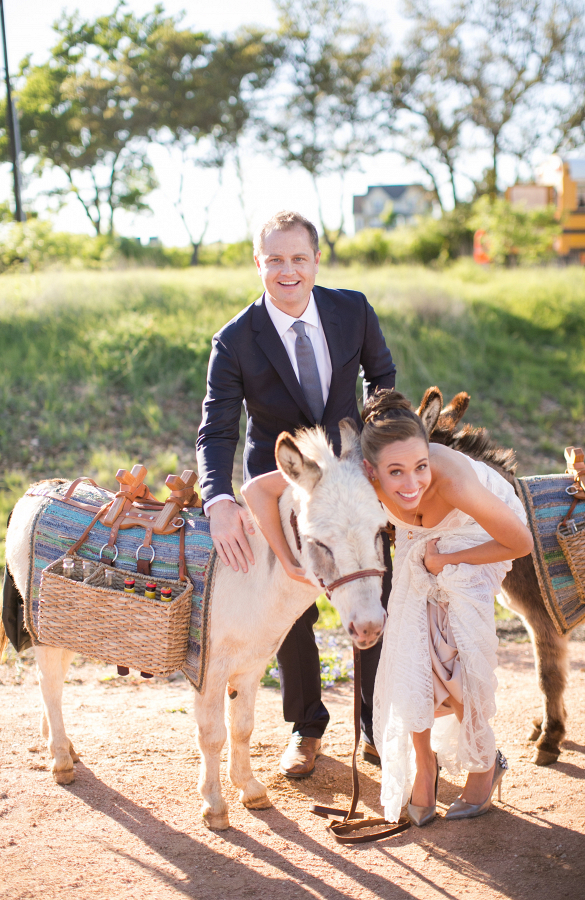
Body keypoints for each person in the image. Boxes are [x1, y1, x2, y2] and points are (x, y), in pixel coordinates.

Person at [242, 389, 533, 825]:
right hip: (420, 543)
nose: (412, 484)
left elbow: (519, 542)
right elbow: (255, 489)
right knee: (408, 648)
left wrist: (445, 559)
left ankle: (485, 764)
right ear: (368, 471)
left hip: (475, 539)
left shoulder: (450, 479)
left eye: (420, 466)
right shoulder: (357, 480)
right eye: (395, 472)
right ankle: (426, 767)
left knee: (455, 655)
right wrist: (287, 559)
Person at [196, 210, 396, 778]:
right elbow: (218, 429)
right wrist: (217, 502)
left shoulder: (352, 309)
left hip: (354, 479)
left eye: (299, 258)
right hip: (281, 486)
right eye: (275, 259)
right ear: (259, 263)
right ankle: (307, 728)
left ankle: (376, 724)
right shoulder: (234, 340)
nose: (288, 270)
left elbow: (382, 380)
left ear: (315, 261)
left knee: (370, 584)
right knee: (291, 611)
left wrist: (378, 452)